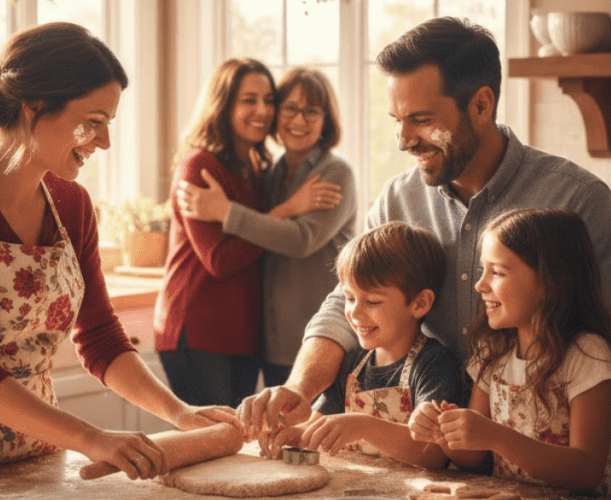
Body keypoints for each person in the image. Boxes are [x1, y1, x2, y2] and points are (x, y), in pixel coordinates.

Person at [0, 22, 237, 487]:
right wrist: (94, 439)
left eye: (108, 124)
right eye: (93, 121)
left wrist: (179, 413)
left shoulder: (73, 205)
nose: (103, 142)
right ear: (35, 107)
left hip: (32, 452)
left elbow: (101, 338)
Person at [238, 16, 611, 442]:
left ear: (481, 105)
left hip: (536, 458)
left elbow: (596, 346)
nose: (403, 140)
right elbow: (343, 307)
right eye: (396, 119)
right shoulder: (396, 200)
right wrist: (300, 388)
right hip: (423, 457)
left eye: (421, 120)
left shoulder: (577, 199)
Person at [408, 208, 611, 497]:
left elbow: (587, 470)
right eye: (483, 270)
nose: (480, 285)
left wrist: (495, 436)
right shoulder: (494, 352)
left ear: (549, 283)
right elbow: (472, 456)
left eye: (497, 272)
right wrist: (443, 432)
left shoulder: (586, 354)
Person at [176, 67, 356, 387]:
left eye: (311, 111)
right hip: (274, 347)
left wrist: (226, 211)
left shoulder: (335, 173)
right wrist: (288, 208)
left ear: (326, 121)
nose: (299, 121)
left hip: (322, 341)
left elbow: (301, 239)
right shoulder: (271, 174)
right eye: (290, 108)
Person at [263, 222, 460, 469]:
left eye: (372, 301)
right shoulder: (351, 363)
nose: (354, 313)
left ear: (420, 303)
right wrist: (294, 434)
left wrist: (364, 426)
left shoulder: (434, 364)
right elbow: (319, 423)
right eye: (349, 298)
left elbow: (434, 455)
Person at [155, 58, 287, 408]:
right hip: (195, 330)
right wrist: (282, 216)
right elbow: (219, 260)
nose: (262, 110)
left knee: (234, 448)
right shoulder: (198, 165)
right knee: (211, 445)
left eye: (269, 99)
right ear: (223, 104)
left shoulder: (259, 167)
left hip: (243, 334)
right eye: (249, 100)